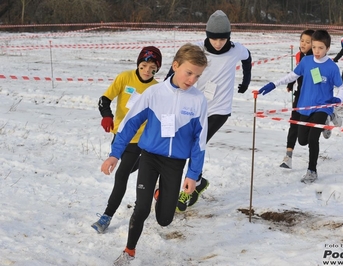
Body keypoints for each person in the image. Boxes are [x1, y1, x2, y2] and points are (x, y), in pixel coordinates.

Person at [101, 43, 208, 265]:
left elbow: (200, 141)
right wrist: (115, 154)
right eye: (189, 73)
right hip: (149, 157)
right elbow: (129, 125)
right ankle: (129, 251)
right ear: (175, 66)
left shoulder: (198, 100)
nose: (192, 80)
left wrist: (193, 174)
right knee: (141, 209)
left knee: (165, 219)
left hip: (175, 163)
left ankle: (160, 195)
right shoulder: (154, 93)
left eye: (197, 76)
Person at [166, 10, 252, 212]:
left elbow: (247, 59)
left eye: (223, 39)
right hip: (194, 107)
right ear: (207, 35)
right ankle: (199, 181)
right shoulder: (196, 48)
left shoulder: (236, 49)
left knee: (197, 144)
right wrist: (165, 92)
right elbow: (175, 70)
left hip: (219, 110)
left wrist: (246, 80)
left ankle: (189, 188)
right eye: (214, 38)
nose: (219, 43)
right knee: (186, 145)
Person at [259, 30, 343, 183]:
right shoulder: (306, 62)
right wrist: (274, 84)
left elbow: (342, 88)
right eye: (314, 47)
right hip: (305, 106)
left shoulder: (332, 67)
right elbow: (292, 75)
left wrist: (337, 100)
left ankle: (312, 171)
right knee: (302, 140)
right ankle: (328, 120)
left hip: (322, 106)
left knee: (313, 139)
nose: (317, 51)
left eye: (320, 48)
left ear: (327, 48)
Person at [91, 46, 162, 234]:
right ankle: (153, 175)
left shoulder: (156, 88)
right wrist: (107, 115)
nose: (147, 70)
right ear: (138, 64)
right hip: (120, 135)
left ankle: (106, 217)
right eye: (144, 65)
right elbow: (104, 99)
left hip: (140, 141)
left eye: (152, 68)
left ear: (157, 69)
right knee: (128, 169)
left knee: (121, 175)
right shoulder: (124, 77)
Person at [280, 29, 314, 169]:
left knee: (304, 138)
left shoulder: (314, 58)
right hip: (300, 94)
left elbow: (316, 78)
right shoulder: (299, 55)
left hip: (312, 97)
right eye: (302, 41)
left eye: (308, 42)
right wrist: (291, 83)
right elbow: (296, 73)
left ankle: (326, 118)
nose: (303, 44)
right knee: (293, 122)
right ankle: (288, 157)